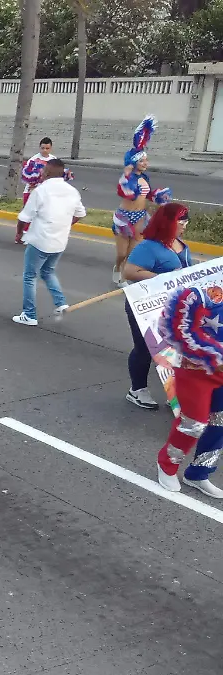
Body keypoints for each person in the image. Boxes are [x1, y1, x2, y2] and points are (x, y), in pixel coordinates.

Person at [154, 279, 223, 497]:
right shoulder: (208, 293)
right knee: (193, 423)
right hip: (196, 371)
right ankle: (167, 465)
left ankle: (199, 473)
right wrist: (213, 354)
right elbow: (177, 326)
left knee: (219, 422)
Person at [122, 203, 193, 410]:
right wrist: (164, 279)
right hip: (145, 305)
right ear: (168, 222)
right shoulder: (148, 246)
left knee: (179, 350)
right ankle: (137, 390)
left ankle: (178, 393)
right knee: (145, 348)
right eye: (181, 222)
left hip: (173, 306)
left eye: (186, 222)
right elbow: (130, 272)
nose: (185, 226)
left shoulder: (177, 242)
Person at [11, 158, 83, 326]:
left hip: (40, 240)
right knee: (48, 272)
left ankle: (29, 315)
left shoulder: (41, 191)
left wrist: (19, 233)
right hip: (59, 242)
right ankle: (61, 303)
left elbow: (24, 217)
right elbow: (80, 213)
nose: (41, 173)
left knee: (30, 276)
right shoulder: (72, 191)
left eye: (43, 171)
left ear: (48, 173)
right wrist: (65, 225)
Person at [113, 116, 172, 288]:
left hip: (140, 217)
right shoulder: (126, 179)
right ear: (133, 162)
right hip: (124, 217)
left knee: (132, 253)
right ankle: (117, 268)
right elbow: (125, 192)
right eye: (142, 160)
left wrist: (158, 196)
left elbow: (146, 196)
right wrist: (126, 175)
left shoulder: (144, 178)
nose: (145, 163)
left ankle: (124, 277)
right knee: (121, 253)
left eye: (146, 160)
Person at [16, 136, 70, 243]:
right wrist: (34, 184)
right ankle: (22, 235)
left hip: (46, 192)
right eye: (42, 148)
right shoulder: (33, 160)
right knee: (29, 213)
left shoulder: (53, 160)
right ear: (39, 148)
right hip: (31, 191)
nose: (44, 150)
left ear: (51, 148)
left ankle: (36, 236)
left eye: (47, 148)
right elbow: (27, 175)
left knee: (41, 215)